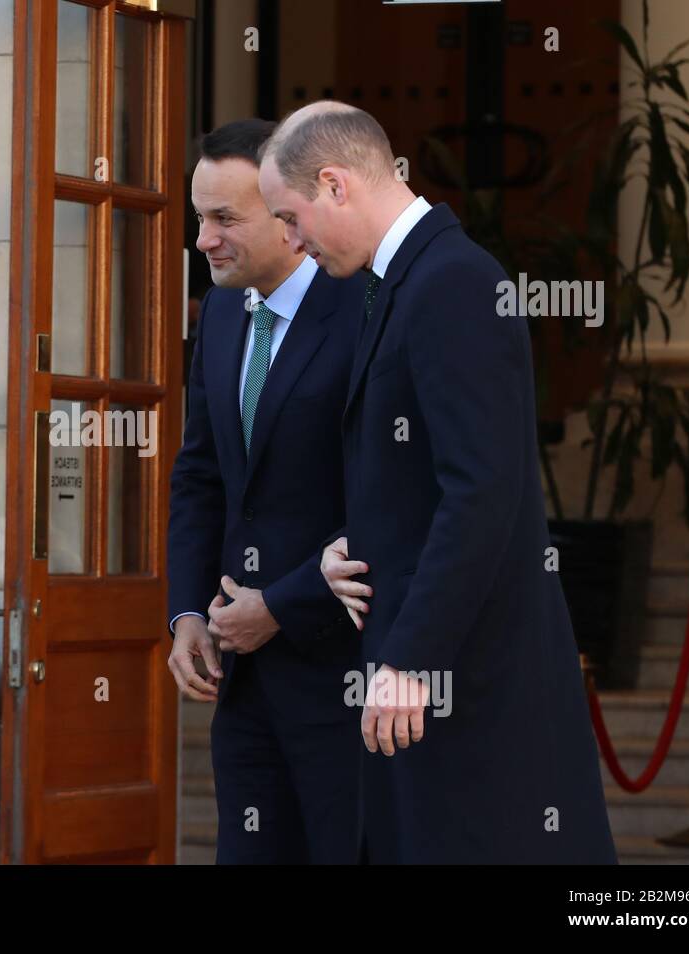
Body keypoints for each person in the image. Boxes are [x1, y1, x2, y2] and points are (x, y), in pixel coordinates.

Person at [259, 101, 617, 863]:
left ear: (334, 184)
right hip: (433, 676)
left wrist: (412, 657)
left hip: (471, 682)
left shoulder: (450, 280)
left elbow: (482, 490)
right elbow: (412, 482)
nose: (289, 241)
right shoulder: (406, 279)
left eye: (291, 217)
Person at [166, 119, 366, 864]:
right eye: (199, 218)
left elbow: (385, 503)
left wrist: (279, 609)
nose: (203, 241)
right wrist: (187, 612)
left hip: (344, 676)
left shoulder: (366, 316)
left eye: (224, 220)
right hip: (242, 684)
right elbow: (202, 474)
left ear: (289, 220)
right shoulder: (221, 311)